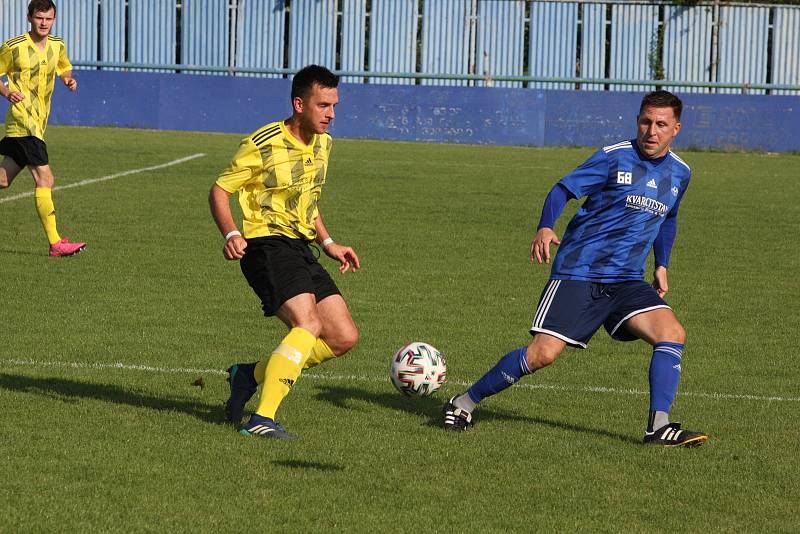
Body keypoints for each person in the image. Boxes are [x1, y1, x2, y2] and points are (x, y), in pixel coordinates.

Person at [443, 90, 708, 448]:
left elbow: (668, 218)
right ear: (637, 121)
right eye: (645, 121)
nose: (651, 131)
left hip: (627, 279)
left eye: (661, 124)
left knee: (672, 332)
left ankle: (658, 427)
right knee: (542, 355)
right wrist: (545, 226)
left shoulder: (681, 173)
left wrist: (662, 265)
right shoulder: (613, 158)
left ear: (676, 128)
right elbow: (562, 189)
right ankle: (464, 402)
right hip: (579, 273)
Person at [209, 65, 360, 440]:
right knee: (307, 325)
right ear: (299, 103)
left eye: (334, 105)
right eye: (323, 105)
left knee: (343, 336)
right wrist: (230, 232)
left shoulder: (324, 144)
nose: (331, 114)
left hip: (301, 246)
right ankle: (262, 419)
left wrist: (329, 243)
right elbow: (218, 190)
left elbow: (307, 201)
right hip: (264, 245)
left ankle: (249, 375)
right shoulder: (262, 143)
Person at [0, 0, 85, 256]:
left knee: (3, 180)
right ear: (30, 18)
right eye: (39, 18)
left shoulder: (57, 45)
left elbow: (63, 65)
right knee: (45, 178)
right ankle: (55, 243)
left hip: (38, 122)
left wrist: (67, 78)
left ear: (54, 19)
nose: (44, 23)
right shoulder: (13, 47)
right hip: (24, 121)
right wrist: (6, 92)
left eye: (48, 18)